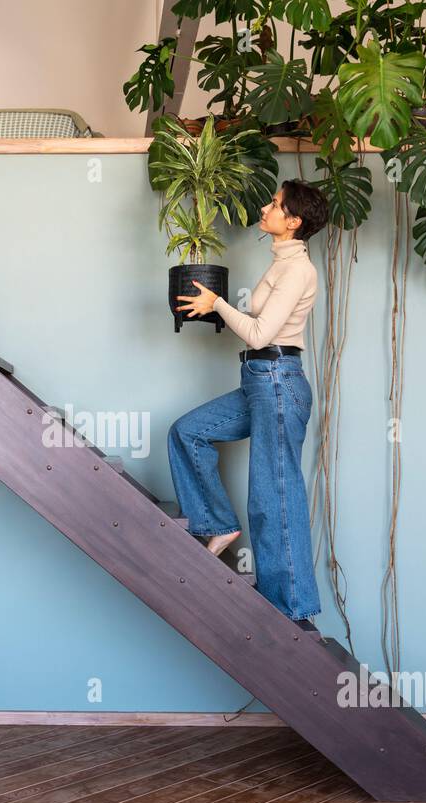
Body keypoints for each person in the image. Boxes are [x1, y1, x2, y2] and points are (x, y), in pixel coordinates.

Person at [168, 178, 329, 622]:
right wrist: (215, 306)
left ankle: (289, 607)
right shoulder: (282, 262)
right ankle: (218, 522)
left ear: (294, 221)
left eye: (275, 204)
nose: (266, 207)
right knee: (188, 432)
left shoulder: (298, 271)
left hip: (278, 382)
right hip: (260, 380)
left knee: (273, 495)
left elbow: (261, 333)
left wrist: (217, 303)